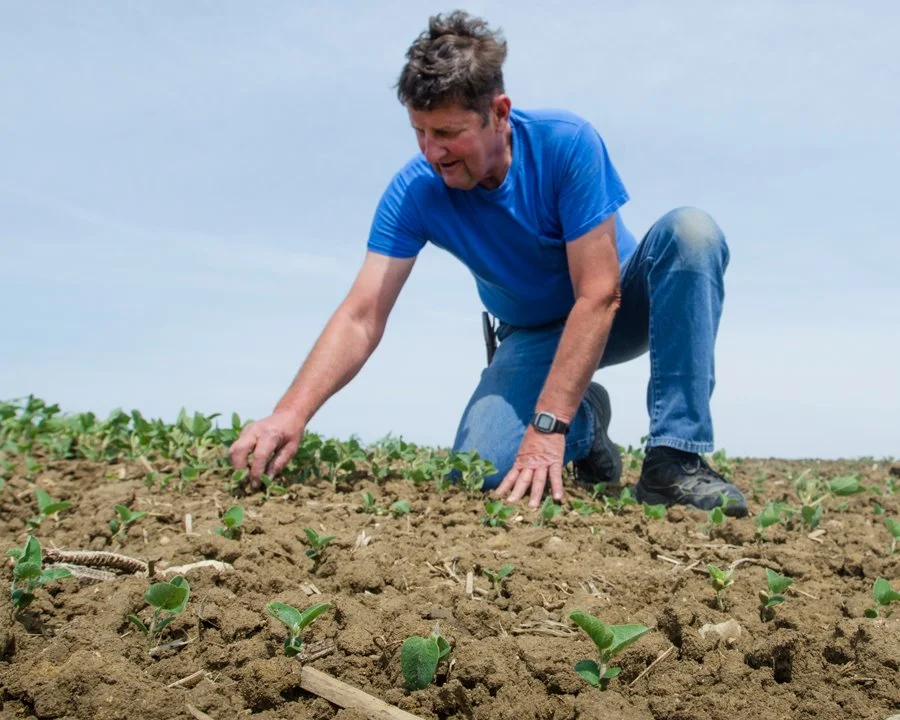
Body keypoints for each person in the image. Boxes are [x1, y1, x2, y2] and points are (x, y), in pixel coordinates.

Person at [229, 11, 748, 518]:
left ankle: (673, 459)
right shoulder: (416, 191)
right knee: (482, 472)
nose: (432, 152)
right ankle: (588, 416)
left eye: (448, 133)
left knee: (691, 233)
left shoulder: (566, 143)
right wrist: (289, 413)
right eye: (420, 132)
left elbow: (598, 294)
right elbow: (362, 314)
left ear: (499, 112)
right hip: (533, 334)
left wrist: (546, 427)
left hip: (622, 304)